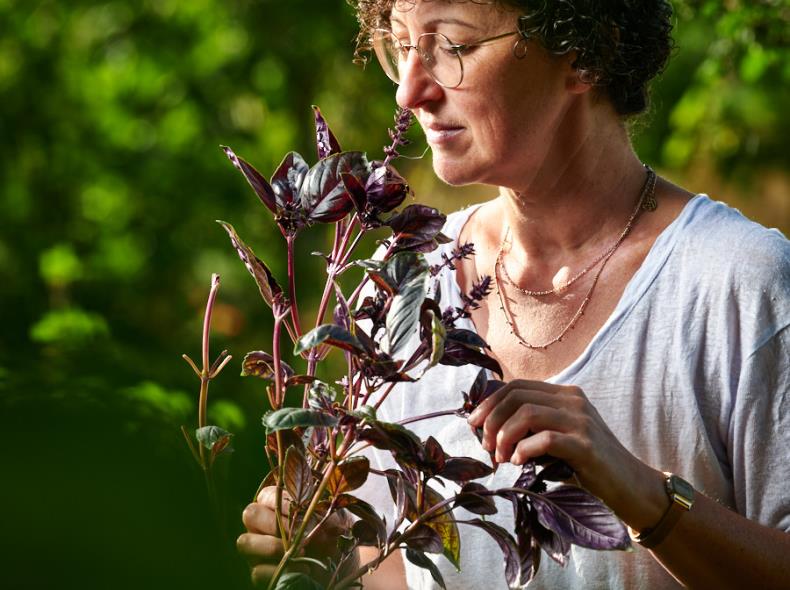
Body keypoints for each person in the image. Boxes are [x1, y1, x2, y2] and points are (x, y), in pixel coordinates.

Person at [237, 1, 790, 588]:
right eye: (399, 45)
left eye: (452, 46)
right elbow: (397, 571)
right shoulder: (402, 279)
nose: (409, 91)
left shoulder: (742, 282)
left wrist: (643, 495)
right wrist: (332, 562)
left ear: (585, 52)